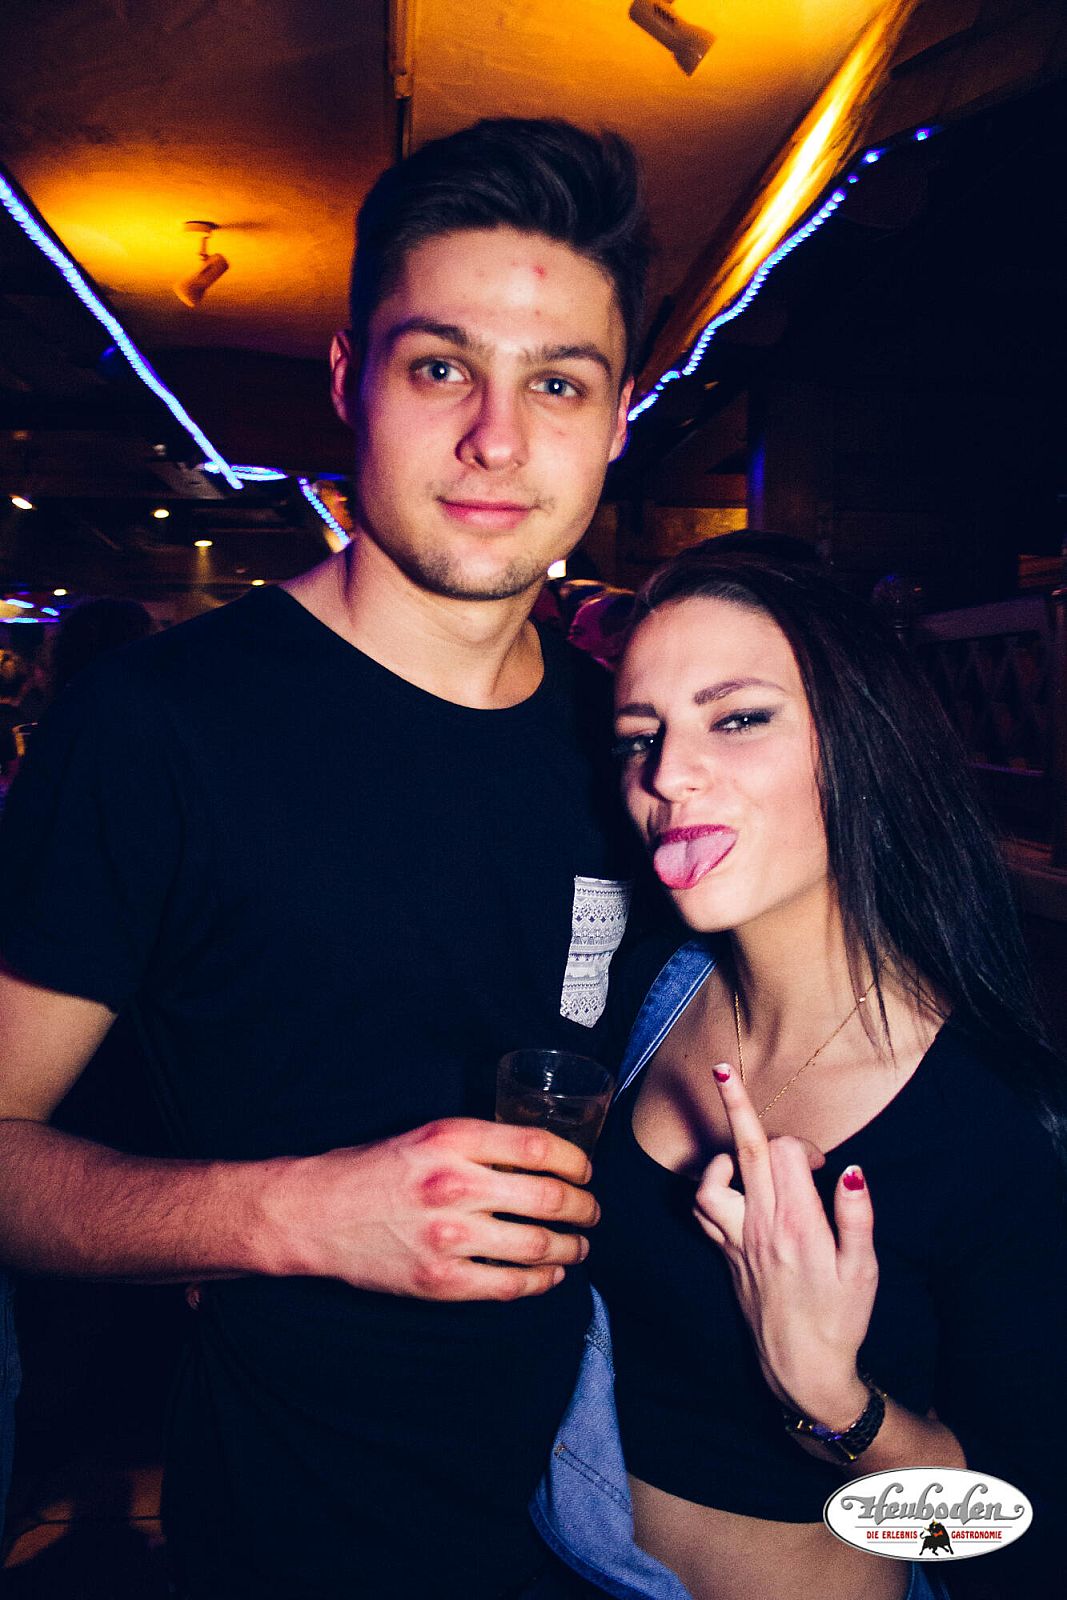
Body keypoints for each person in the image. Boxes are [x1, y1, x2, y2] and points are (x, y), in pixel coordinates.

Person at [0, 118, 651, 1599]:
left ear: (617, 420)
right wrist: (299, 1215)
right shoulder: (159, 725)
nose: (497, 438)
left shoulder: (633, 747)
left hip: (623, 1519)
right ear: (352, 379)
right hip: (301, 1534)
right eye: (441, 369)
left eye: (557, 382)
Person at [536, 550, 1067, 1599]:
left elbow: (1010, 1540)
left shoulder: (992, 1123)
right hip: (566, 1558)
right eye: (639, 736)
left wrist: (833, 1400)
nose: (666, 775)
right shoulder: (646, 992)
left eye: (737, 718)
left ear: (860, 744)